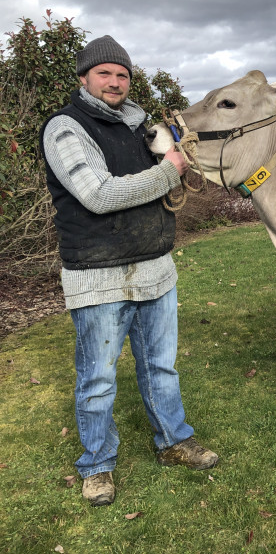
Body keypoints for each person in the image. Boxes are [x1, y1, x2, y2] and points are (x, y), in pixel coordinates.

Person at [41, 35, 218, 506]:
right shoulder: (65, 128)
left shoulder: (143, 127)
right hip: (97, 274)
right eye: (104, 73)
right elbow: (97, 194)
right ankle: (97, 465)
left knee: (161, 367)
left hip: (155, 269)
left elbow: (173, 167)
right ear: (84, 78)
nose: (115, 82)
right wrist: (171, 168)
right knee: (97, 379)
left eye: (122, 74)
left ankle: (174, 442)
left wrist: (178, 157)